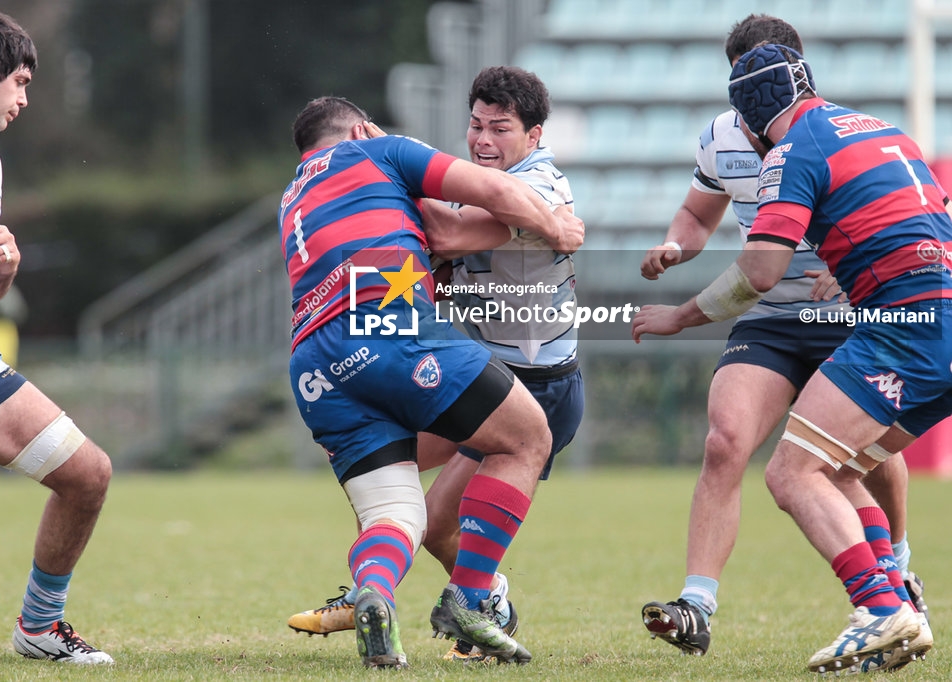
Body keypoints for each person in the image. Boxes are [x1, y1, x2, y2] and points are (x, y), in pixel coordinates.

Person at [632, 41, 945, 673]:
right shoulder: (882, 130)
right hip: (936, 319)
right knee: (842, 464)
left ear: (747, 119)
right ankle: (893, 605)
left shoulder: (792, 149)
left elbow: (760, 272)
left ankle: (883, 609)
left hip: (900, 328)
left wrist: (680, 317)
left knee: (791, 473)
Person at [285, 66, 585, 664]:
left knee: (407, 508)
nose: (482, 141)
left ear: (535, 136)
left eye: (500, 128)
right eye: (475, 125)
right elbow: (441, 238)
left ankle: (381, 588)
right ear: (360, 131)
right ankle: (470, 600)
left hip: (526, 376)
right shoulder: (392, 158)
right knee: (436, 521)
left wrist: (552, 220)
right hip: (432, 352)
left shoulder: (543, 180)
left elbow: (440, 237)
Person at [0, 9, 113, 666]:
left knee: (88, 474)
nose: (26, 99)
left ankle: (39, 627)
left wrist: (4, 268)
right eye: (22, 82)